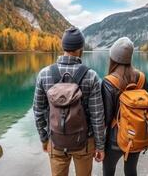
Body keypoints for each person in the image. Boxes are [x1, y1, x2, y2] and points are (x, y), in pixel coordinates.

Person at [33, 27, 105, 176]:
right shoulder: (91, 76)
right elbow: (97, 115)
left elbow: (38, 111)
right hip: (84, 142)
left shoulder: (44, 74)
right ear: (80, 48)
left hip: (56, 140)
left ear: (63, 46)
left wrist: (44, 138)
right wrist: (100, 146)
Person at [102, 37, 148, 176]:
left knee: (108, 171)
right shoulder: (141, 78)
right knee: (131, 170)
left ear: (113, 58)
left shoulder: (109, 82)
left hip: (115, 137)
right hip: (136, 135)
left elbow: (106, 117)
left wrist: (98, 141)